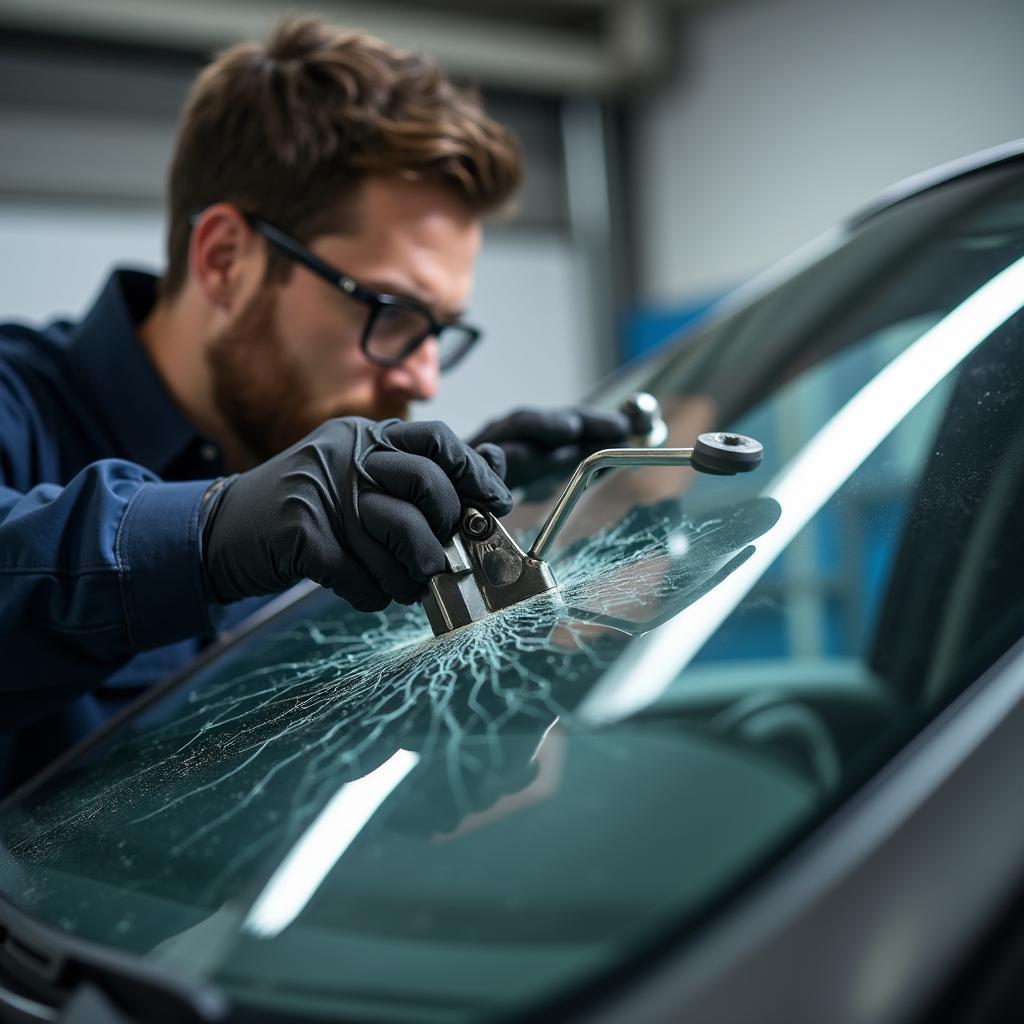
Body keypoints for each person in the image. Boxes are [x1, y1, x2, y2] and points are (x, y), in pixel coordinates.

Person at [0, 16, 628, 790]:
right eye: (394, 312)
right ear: (226, 260)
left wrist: (458, 521)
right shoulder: (14, 404)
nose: (426, 378)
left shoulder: (303, 481)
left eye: (442, 330)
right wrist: (205, 538)